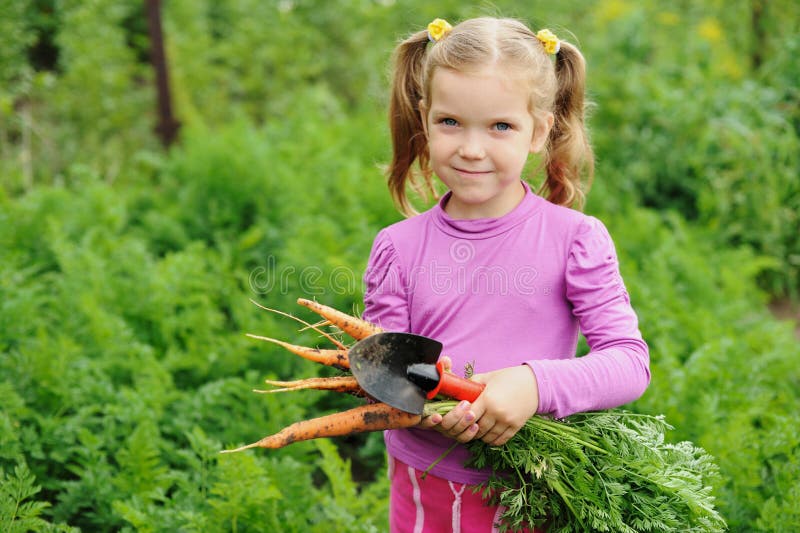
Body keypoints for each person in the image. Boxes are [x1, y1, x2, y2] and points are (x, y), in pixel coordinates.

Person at [362, 16, 650, 533]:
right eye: (451, 122)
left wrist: (534, 384)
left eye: (500, 126)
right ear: (425, 120)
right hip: (425, 485)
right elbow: (378, 373)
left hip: (535, 488)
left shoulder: (574, 240)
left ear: (539, 131)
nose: (472, 148)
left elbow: (629, 363)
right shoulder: (397, 248)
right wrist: (426, 395)